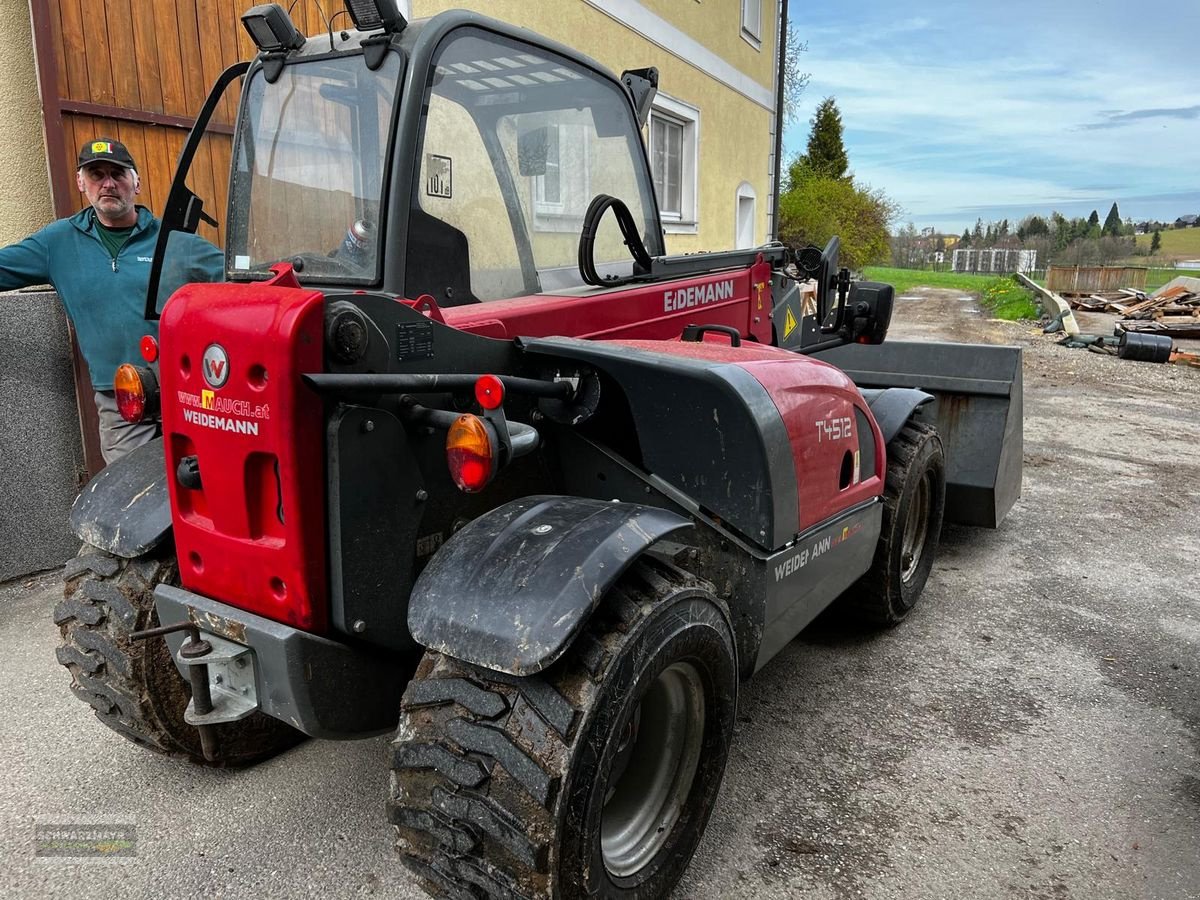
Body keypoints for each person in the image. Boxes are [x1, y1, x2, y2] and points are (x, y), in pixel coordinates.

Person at [0, 138, 223, 463]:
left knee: (204, 488)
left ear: (136, 182)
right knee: (129, 499)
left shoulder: (174, 241)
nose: (108, 183)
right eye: (96, 174)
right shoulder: (57, 243)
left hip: (191, 393)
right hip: (125, 402)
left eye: (118, 174)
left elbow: (239, 280)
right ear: (81, 182)